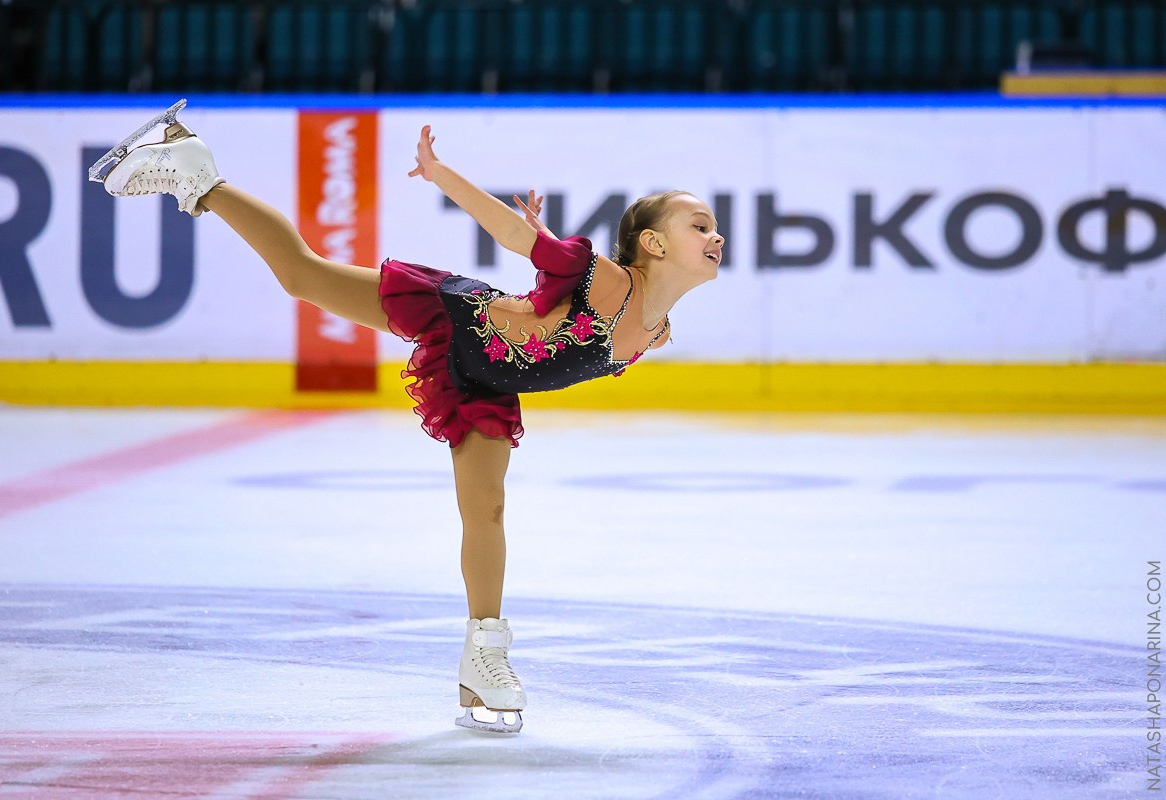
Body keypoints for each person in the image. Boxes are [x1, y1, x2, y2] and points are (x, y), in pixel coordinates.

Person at [92, 104, 724, 734]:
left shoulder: (656, 330)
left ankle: (484, 658)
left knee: (489, 511)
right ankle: (199, 173)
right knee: (303, 275)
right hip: (456, 322)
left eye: (715, 226)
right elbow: (514, 237)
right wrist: (440, 173)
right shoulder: (609, 283)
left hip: (489, 386)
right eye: (700, 224)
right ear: (654, 242)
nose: (715, 235)